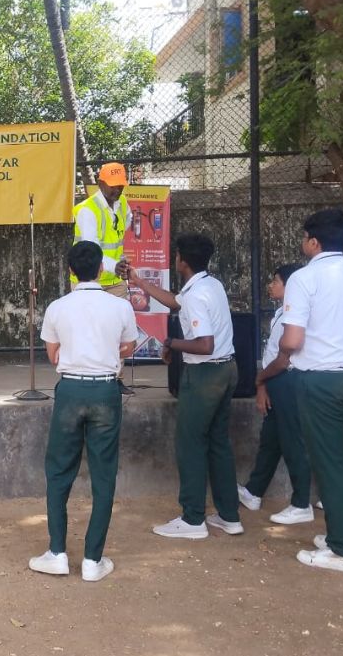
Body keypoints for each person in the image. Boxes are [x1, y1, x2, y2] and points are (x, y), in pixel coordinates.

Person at [280, 209, 343, 574]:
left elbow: (293, 339)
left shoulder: (304, 278)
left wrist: (282, 350)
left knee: (330, 462)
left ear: (313, 241)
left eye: (304, 237)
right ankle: (339, 534)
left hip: (322, 379)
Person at [28, 242, 138, 582]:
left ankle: (57, 553)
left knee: (59, 471)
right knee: (104, 475)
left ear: (71, 271)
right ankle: (93, 560)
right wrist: (109, 352)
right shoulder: (120, 306)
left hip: (70, 391)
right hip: (106, 390)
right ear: (101, 269)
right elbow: (130, 346)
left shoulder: (57, 307)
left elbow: (53, 356)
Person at [128, 234, 242, 539]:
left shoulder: (195, 296)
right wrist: (139, 282)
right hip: (227, 369)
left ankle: (192, 519)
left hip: (204, 375)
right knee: (219, 443)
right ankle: (229, 516)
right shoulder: (211, 285)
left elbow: (204, 345)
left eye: (176, 254)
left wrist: (170, 342)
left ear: (182, 261)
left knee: (190, 444)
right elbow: (174, 301)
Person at [238, 264, 314, 524]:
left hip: (288, 379)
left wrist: (260, 379)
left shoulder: (295, 316)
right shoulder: (281, 313)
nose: (271, 285)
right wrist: (263, 385)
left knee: (293, 442)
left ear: (290, 286)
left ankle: (302, 503)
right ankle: (254, 491)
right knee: (271, 439)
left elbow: (284, 358)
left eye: (276, 281)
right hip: (275, 380)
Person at [71, 162, 132, 298]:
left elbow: (127, 221)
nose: (117, 190)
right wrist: (114, 265)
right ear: (100, 184)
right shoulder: (88, 210)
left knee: (119, 312)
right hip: (88, 281)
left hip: (115, 281)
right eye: (112, 186)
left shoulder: (122, 202)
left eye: (120, 186)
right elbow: (91, 250)